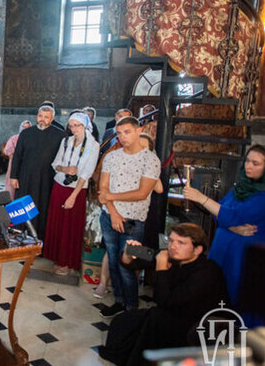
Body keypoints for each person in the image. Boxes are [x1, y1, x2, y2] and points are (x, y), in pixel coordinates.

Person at [98, 223, 229, 366]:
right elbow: (131, 262)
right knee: (123, 322)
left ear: (197, 250)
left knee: (154, 319)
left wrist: (161, 268)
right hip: (174, 312)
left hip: (200, 325)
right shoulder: (171, 255)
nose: (173, 246)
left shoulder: (207, 271)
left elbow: (164, 301)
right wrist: (128, 252)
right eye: (171, 240)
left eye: (181, 243)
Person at [183, 144, 265, 326]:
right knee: (214, 296)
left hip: (241, 258)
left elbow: (232, 215)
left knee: (235, 300)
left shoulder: (262, 195)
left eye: (256, 163)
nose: (249, 166)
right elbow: (220, 211)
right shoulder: (241, 188)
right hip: (222, 252)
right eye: (247, 162)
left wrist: (201, 198)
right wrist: (232, 227)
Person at [98, 116, 161, 317]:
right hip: (109, 217)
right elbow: (103, 189)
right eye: (119, 133)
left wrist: (110, 197)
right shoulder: (112, 157)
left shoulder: (150, 159)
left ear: (138, 130)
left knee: (127, 264)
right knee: (114, 262)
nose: (122, 137)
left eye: (127, 132)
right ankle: (118, 301)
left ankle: (131, 309)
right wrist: (114, 212)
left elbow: (142, 193)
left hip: (134, 220)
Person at [43, 112, 100, 275]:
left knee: (70, 226)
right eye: (71, 125)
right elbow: (56, 163)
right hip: (60, 184)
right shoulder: (66, 142)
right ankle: (56, 256)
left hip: (76, 190)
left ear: (85, 125)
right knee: (58, 222)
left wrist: (73, 197)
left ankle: (67, 262)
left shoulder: (93, 145)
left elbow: (86, 173)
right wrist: (65, 169)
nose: (74, 129)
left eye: (78, 125)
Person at [9, 105, 66, 239]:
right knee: (23, 207)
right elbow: (17, 156)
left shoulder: (60, 135)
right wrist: (13, 177)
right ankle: (19, 239)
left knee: (42, 208)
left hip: (46, 179)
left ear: (51, 119)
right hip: (25, 177)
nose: (42, 120)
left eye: (46, 117)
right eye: (40, 116)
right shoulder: (26, 133)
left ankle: (39, 241)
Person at [4, 120, 31, 199]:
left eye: (27, 127)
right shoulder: (14, 138)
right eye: (24, 127)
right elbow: (7, 150)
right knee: (11, 186)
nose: (25, 129)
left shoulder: (31, 139)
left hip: (26, 165)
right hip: (14, 164)